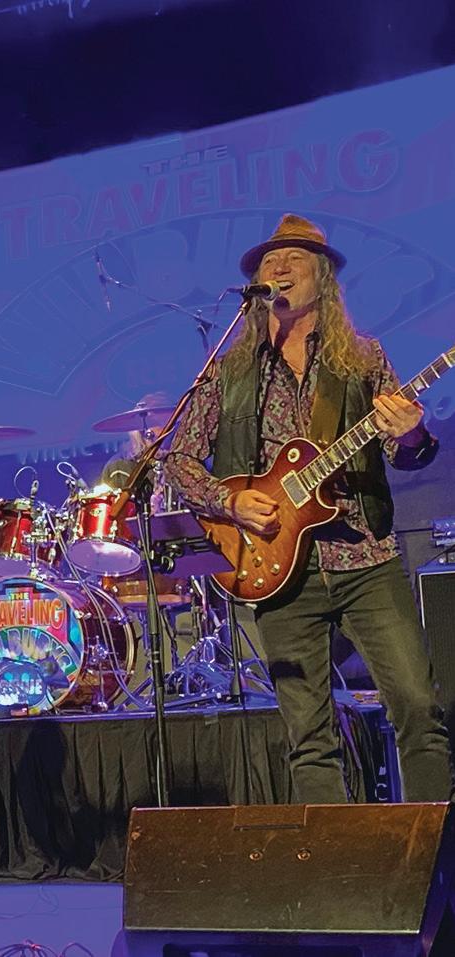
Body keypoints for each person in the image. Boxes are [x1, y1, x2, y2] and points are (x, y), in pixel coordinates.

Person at [165, 213, 449, 802]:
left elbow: (405, 454)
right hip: (275, 568)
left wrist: (412, 434)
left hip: (365, 559)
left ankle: (435, 845)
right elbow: (179, 461)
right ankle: (331, 857)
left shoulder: (362, 359)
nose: (279, 267)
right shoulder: (229, 371)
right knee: (309, 737)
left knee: (418, 708)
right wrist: (231, 501)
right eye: (270, 261)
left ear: (323, 279)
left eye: (294, 259)